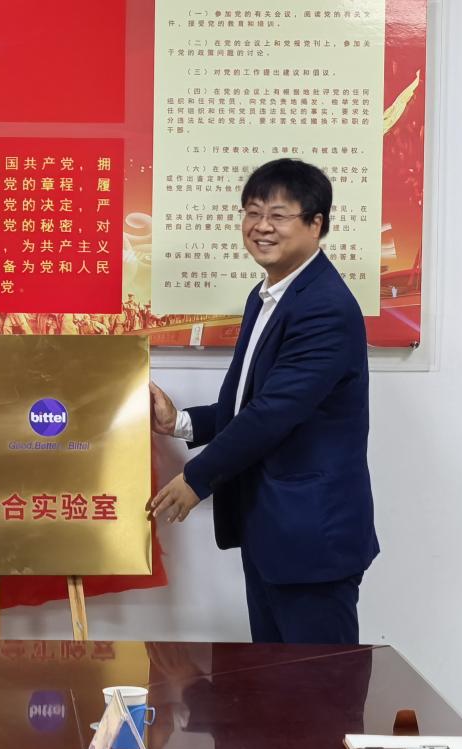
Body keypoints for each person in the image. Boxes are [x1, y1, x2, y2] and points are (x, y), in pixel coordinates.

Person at [146, 158, 378, 643]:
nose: (261, 227)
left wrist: (196, 478)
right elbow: (252, 401)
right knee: (274, 681)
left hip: (312, 536)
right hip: (272, 530)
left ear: (316, 224)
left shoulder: (324, 307)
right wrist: (180, 422)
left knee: (321, 682)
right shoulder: (268, 295)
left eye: (278, 215)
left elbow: (273, 414)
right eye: (252, 212)